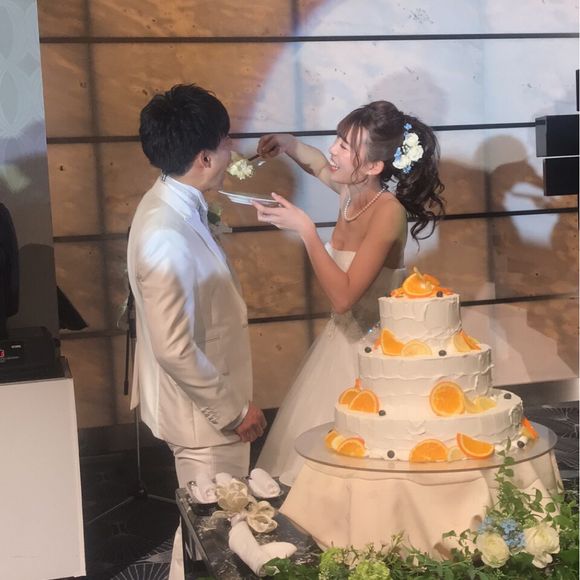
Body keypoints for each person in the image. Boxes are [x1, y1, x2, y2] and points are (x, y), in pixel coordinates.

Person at [253, 100, 445, 485]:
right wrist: (288, 143)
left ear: (373, 167)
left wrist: (306, 231)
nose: (332, 150)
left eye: (344, 146)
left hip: (372, 357)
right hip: (338, 344)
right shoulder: (351, 193)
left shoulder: (387, 211)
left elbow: (343, 298)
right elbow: (317, 163)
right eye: (337, 140)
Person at [127, 84, 267, 580]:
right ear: (205, 157)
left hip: (199, 407)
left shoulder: (172, 200)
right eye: (226, 142)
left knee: (201, 535)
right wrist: (234, 411)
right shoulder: (165, 232)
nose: (232, 151)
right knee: (218, 537)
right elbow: (173, 347)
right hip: (203, 416)